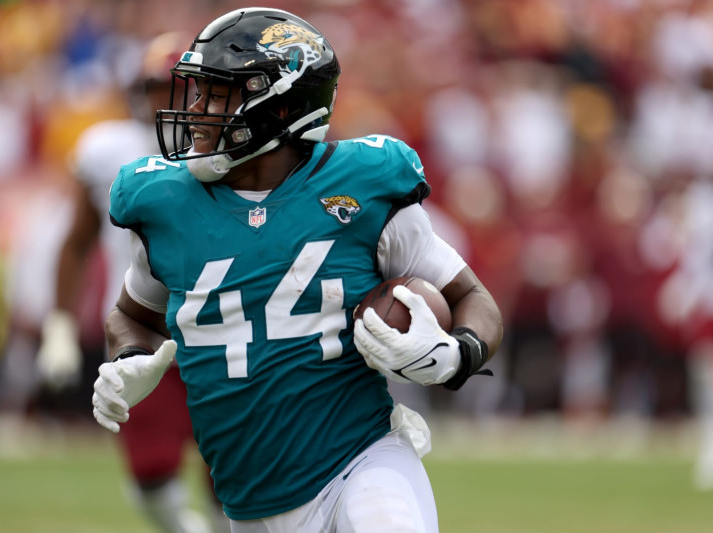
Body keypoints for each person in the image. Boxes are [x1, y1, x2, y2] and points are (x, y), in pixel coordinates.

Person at [91, 8, 503, 532]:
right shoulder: (164, 205)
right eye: (196, 91)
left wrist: (456, 354)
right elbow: (132, 315)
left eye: (217, 94)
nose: (195, 111)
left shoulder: (364, 185)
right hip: (247, 502)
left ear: (279, 109)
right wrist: (127, 358)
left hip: (362, 462)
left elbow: (473, 298)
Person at [36, 33, 219, 533]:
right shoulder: (107, 149)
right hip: (142, 326)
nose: (166, 101)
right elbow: (76, 242)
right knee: (151, 469)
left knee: (230, 473)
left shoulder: (235, 150)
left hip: (222, 326)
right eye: (156, 87)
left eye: (179, 88)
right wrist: (59, 328)